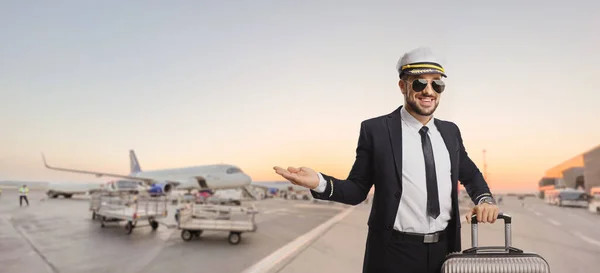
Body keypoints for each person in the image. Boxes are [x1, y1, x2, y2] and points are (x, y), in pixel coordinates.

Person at [273, 47, 500, 273]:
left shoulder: (451, 132)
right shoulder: (376, 130)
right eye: (420, 83)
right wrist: (320, 183)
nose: (429, 91)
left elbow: (470, 175)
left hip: (445, 252)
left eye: (437, 84)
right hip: (394, 253)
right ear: (403, 86)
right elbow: (357, 189)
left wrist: (485, 200)